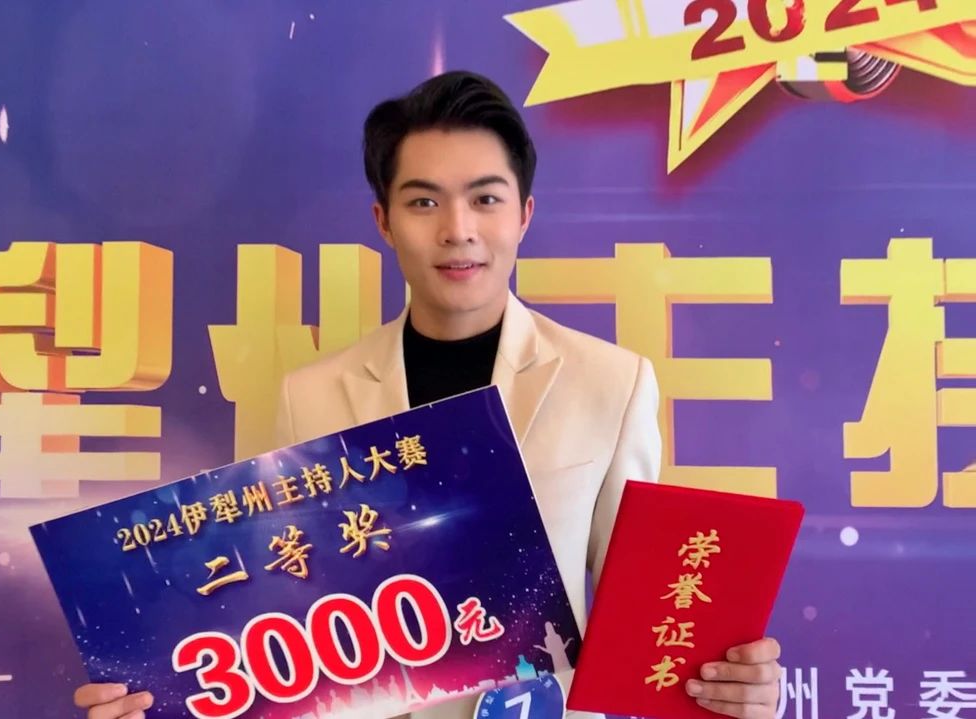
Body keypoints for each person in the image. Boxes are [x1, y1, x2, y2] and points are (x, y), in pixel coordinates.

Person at [75, 70, 782, 719]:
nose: (458, 230)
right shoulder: (309, 397)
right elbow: (278, 614)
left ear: (524, 213)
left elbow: (651, 623)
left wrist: (737, 689)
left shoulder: (611, 383)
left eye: (485, 199)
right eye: (423, 202)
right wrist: (158, 693)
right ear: (383, 220)